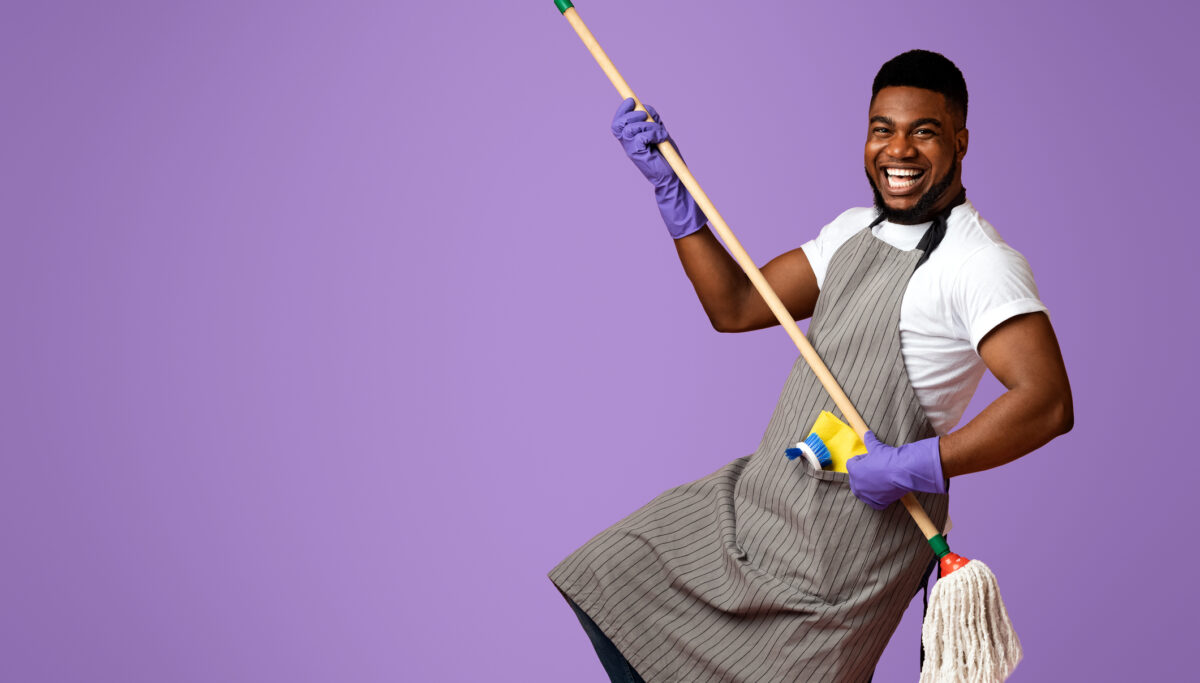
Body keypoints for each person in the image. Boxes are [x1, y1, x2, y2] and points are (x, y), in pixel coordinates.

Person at [549, 50, 1073, 683]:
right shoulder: (852, 231)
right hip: (761, 503)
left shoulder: (979, 262)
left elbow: (1046, 402)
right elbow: (738, 305)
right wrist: (673, 189)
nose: (898, 150)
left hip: (846, 553)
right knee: (616, 573)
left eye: (923, 131)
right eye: (883, 129)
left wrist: (914, 464)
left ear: (960, 141)